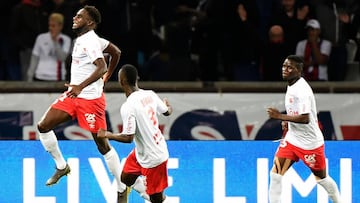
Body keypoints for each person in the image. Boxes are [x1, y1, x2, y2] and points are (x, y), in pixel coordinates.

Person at [37, 5, 147, 203]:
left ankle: (122, 188)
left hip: (90, 101)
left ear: (89, 22)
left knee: (102, 146)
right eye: (76, 14)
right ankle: (62, 167)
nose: (74, 17)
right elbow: (116, 52)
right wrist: (105, 78)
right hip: (74, 96)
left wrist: (85, 84)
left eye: (79, 16)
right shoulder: (92, 39)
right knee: (43, 126)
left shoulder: (89, 41)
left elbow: (102, 65)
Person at [266, 55, 342, 203]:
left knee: (322, 180)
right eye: (284, 66)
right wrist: (288, 121)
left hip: (310, 143)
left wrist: (280, 116)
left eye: (289, 67)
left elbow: (305, 118)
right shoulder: (292, 84)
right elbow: (296, 112)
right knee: (275, 176)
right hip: (292, 139)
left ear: (299, 70)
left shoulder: (302, 90)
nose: (285, 70)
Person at [98, 64, 173, 203]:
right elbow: (167, 111)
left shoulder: (128, 106)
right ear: (136, 79)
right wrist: (168, 106)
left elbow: (128, 138)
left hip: (154, 159)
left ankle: (155, 198)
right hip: (141, 152)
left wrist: (107, 134)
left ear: (122, 82)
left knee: (158, 200)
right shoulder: (150, 94)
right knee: (125, 178)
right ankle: (148, 195)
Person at [27, 13, 72, 81]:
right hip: (40, 76)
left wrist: (55, 42)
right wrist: (29, 77)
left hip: (57, 77)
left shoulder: (66, 39)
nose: (50, 28)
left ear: (60, 26)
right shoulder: (41, 37)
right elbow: (34, 58)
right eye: (49, 25)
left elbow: (62, 58)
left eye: (53, 26)